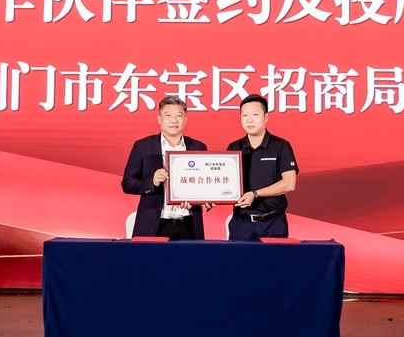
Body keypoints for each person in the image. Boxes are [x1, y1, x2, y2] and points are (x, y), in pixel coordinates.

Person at [121, 95, 211, 240]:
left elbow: (206, 184)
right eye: (168, 115)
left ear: (185, 119)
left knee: (192, 256)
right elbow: (127, 183)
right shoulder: (143, 146)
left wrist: (205, 197)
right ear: (159, 119)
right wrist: (152, 181)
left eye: (179, 116)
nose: (174, 120)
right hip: (154, 224)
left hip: (188, 223)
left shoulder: (198, 147)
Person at [227, 94, 298, 241]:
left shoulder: (281, 146)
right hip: (241, 223)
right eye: (245, 115)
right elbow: (225, 182)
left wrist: (255, 194)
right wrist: (211, 197)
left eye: (255, 115)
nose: (249, 120)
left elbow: (289, 183)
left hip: (273, 223)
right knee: (237, 257)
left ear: (266, 117)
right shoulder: (234, 147)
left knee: (273, 257)